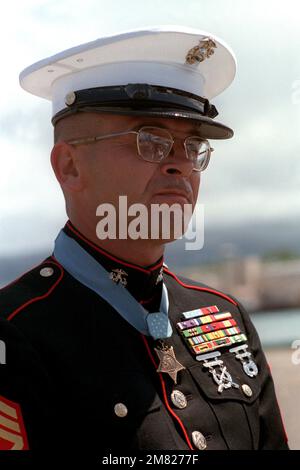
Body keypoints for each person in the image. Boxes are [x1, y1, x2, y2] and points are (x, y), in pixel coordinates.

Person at [0, 26, 288, 453]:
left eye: (192, 147)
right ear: (70, 167)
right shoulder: (15, 334)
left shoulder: (227, 318)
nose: (180, 166)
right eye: (150, 141)